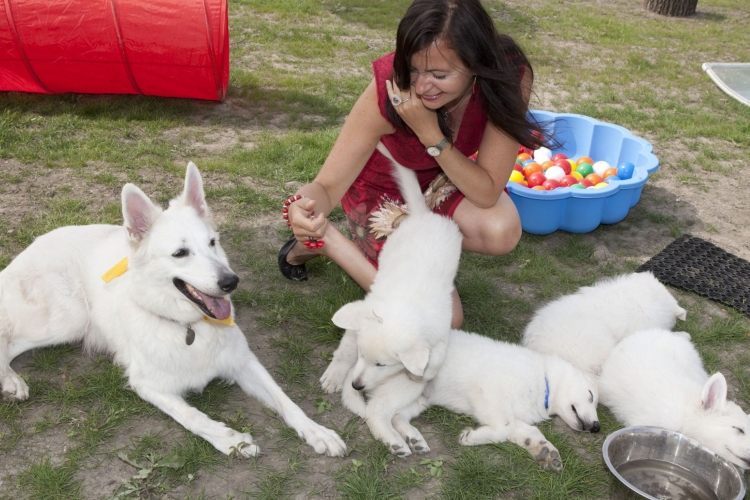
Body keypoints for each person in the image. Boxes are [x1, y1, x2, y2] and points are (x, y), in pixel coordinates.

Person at [278, 0, 547, 329]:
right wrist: (301, 207)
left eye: (439, 75)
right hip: (381, 191)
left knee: (500, 230)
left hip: (440, 178)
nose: (420, 87)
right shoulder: (388, 92)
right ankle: (329, 243)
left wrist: (430, 133)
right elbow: (328, 186)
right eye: (414, 69)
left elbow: (487, 192)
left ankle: (414, 249)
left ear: (477, 65)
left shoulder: (507, 74)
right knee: (445, 321)